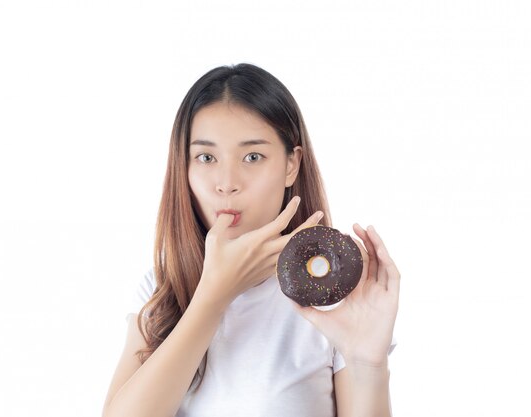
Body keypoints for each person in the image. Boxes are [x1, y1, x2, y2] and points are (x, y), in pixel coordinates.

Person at [101, 63, 401, 417]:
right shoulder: (162, 287)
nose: (227, 182)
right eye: (206, 157)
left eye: (252, 156)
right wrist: (213, 295)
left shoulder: (331, 301)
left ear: (292, 164)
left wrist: (368, 362)